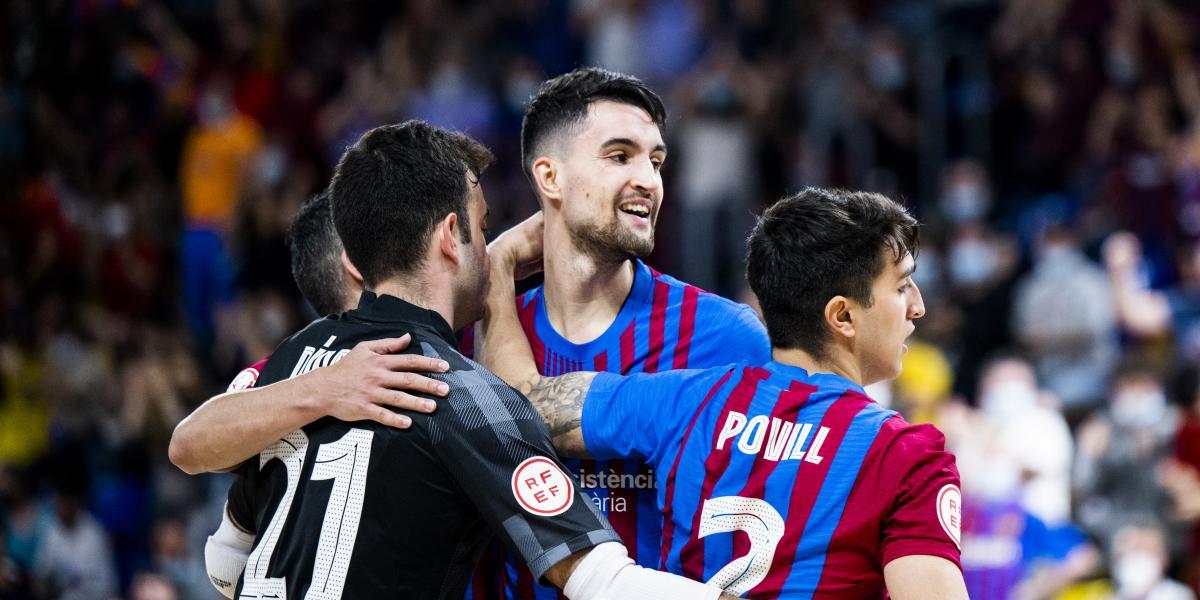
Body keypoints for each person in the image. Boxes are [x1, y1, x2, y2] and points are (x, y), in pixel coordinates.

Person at [207, 121, 733, 599]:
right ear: (449, 239)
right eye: (483, 231)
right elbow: (602, 582)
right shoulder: (453, 390)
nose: (490, 248)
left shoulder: (298, 361)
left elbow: (224, 560)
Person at [479, 188, 967, 598]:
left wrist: (497, 268)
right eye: (902, 287)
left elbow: (519, 400)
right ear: (842, 316)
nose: (918, 308)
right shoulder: (908, 457)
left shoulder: (684, 400)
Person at [483, 65, 771, 599]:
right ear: (550, 178)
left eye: (656, 160)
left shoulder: (725, 339)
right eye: (620, 156)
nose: (649, 180)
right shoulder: (484, 336)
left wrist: (495, 265)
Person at [168, 192, 449, 475]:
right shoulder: (288, 371)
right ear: (357, 262)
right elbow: (185, 445)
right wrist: (327, 387)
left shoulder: (443, 340)